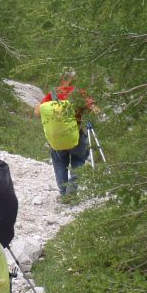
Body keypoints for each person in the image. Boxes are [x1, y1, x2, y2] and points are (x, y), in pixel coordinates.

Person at [34, 70, 97, 198]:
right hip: (75, 136)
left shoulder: (53, 94)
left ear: (61, 78)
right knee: (78, 161)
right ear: (74, 78)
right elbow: (95, 109)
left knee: (59, 163)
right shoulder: (79, 93)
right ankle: (71, 194)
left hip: (56, 138)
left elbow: (37, 113)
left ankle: (63, 194)